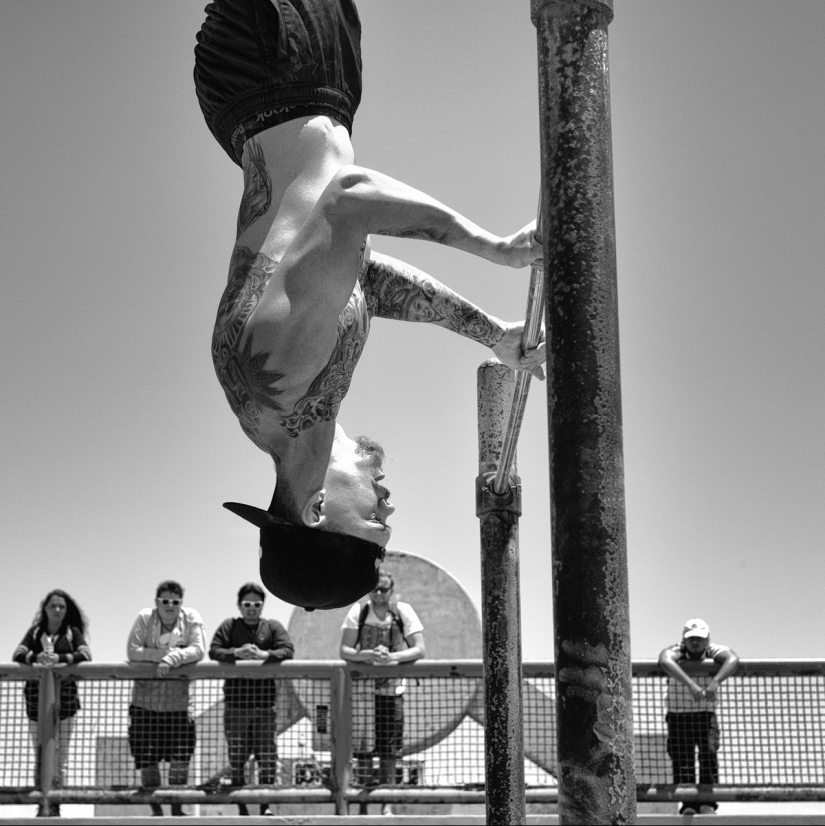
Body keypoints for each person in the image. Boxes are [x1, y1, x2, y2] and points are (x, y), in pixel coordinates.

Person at [194, 0, 546, 612]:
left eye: (375, 523)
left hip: (275, 60)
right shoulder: (293, 411)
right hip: (302, 88)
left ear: (316, 510)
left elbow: (347, 199)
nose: (389, 505)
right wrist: (492, 333)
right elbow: (368, 281)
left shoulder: (282, 378)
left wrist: (494, 248)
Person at [340, 570, 424, 814]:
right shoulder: (358, 611)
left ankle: (388, 803)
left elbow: (419, 649)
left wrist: (392, 657)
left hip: (392, 691)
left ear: (391, 591)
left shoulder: (403, 611)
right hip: (363, 693)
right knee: (363, 751)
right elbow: (345, 650)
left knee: (390, 751)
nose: (378, 594)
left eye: (383, 589)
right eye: (374, 589)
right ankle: (363, 805)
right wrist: (367, 654)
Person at [209, 582, 295, 816]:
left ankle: (265, 806)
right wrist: (236, 653)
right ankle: (242, 808)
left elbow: (288, 650)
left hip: (265, 707)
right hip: (236, 706)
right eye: (247, 604)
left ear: (262, 606)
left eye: (257, 605)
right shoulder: (229, 626)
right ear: (239, 605)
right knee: (237, 758)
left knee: (267, 758)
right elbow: (214, 650)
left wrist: (264, 655)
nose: (252, 609)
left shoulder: (272, 627)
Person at [126, 581, 206, 817]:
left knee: (180, 759)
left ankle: (177, 810)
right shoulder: (145, 617)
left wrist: (172, 659)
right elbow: (133, 651)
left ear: (181, 603)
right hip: (144, 705)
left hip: (179, 706)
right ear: (156, 602)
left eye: (175, 601)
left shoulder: (191, 618)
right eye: (165, 601)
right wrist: (165, 655)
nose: (170, 605)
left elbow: (199, 649)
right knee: (147, 759)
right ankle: (157, 812)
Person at [13, 589, 92, 816]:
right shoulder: (35, 632)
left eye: (62, 607)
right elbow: (18, 654)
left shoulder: (72, 632)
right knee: (41, 756)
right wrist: (35, 657)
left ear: (66, 611)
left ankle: (55, 805)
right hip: (36, 706)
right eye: (53, 606)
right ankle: (42, 805)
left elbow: (86, 654)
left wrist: (60, 658)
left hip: (66, 706)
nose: (57, 610)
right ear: (45, 609)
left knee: (60, 757)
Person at [659, 618, 739, 816]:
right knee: (682, 759)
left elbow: (733, 659)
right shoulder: (677, 650)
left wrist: (715, 682)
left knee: (709, 755)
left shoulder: (713, 651)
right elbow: (665, 659)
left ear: (707, 639)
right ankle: (688, 804)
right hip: (678, 715)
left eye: (700, 638)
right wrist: (691, 685)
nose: (695, 642)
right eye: (691, 638)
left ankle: (707, 803)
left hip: (705, 715)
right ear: (684, 639)